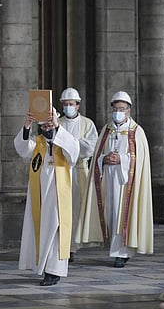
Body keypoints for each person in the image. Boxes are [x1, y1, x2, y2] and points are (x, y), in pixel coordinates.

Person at [77, 91, 153, 268]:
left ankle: (121, 253)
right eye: (115, 108)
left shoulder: (137, 132)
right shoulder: (106, 130)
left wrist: (123, 160)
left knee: (122, 213)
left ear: (129, 110)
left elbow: (140, 160)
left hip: (126, 181)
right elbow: (96, 155)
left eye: (122, 109)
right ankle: (116, 249)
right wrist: (104, 159)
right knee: (110, 213)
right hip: (107, 179)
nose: (118, 112)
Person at [14, 108, 79, 286]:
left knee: (57, 230)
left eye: (51, 123)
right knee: (42, 230)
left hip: (59, 195)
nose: (48, 127)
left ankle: (54, 271)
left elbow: (74, 152)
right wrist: (27, 125)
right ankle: (44, 268)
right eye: (45, 124)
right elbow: (22, 148)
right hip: (41, 195)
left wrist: (58, 128)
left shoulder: (65, 141)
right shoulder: (38, 143)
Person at [58, 87, 98, 262]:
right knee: (60, 210)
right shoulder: (57, 122)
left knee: (75, 210)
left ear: (78, 105)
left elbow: (91, 146)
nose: (68, 107)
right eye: (65, 104)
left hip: (79, 171)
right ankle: (62, 245)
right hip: (60, 170)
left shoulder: (87, 124)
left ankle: (72, 246)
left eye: (71, 104)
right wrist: (72, 145)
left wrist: (71, 145)